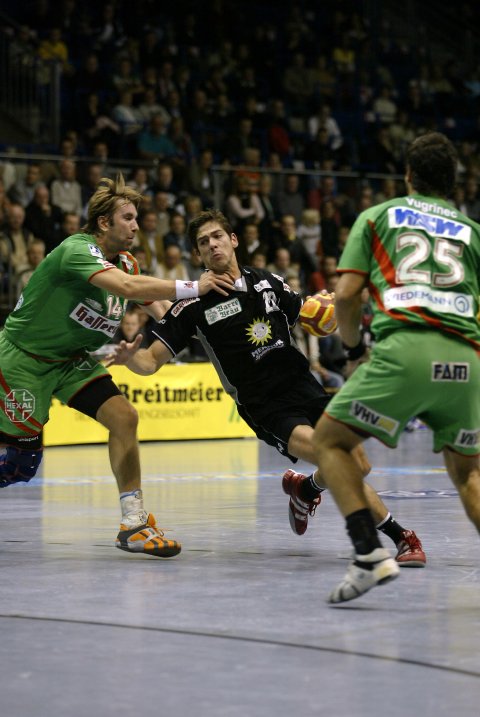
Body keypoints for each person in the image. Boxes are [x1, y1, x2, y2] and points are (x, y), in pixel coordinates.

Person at [106, 209, 425, 567]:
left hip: (304, 386)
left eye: (217, 236)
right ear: (197, 255)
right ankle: (401, 537)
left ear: (233, 240)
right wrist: (129, 358)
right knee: (334, 456)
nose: (212, 245)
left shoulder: (268, 281)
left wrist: (328, 310)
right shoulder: (192, 305)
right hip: (265, 405)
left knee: (360, 464)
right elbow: (150, 361)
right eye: (203, 242)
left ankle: (306, 488)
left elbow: (308, 313)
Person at [0, 176, 234, 560]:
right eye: (128, 218)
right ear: (104, 222)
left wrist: (209, 327)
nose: (136, 226)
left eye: (137, 218)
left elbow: (163, 311)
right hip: (24, 361)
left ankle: (134, 523)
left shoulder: (127, 261)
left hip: (71, 360)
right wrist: (196, 286)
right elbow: (128, 288)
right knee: (19, 466)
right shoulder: (76, 250)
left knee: (125, 417)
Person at [311, 132, 480, 604]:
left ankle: (369, 554)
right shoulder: (473, 230)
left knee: (329, 441)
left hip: (406, 349)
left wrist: (352, 350)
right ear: (452, 183)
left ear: (407, 176)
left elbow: (347, 296)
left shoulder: (377, 216)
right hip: (466, 359)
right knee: (470, 476)